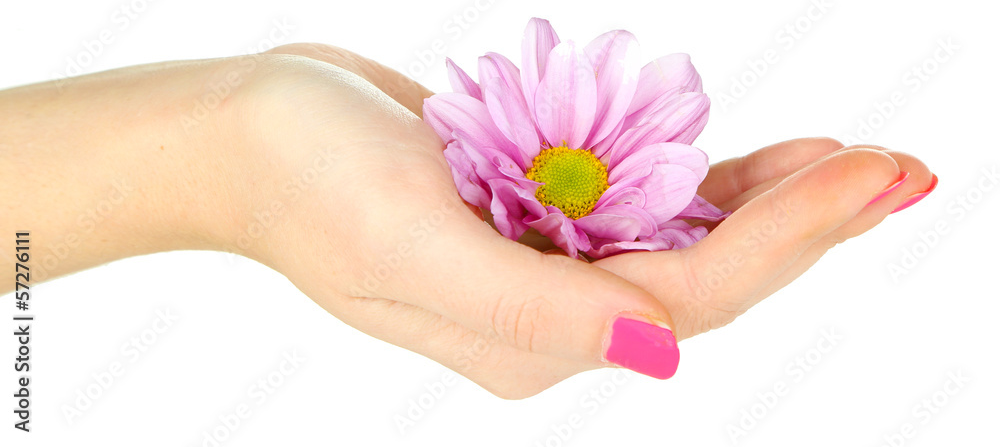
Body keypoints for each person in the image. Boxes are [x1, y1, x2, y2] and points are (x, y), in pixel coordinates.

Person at [0, 43, 935, 399]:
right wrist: (238, 145)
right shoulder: (531, 169)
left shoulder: (567, 175)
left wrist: (244, 121)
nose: (570, 179)